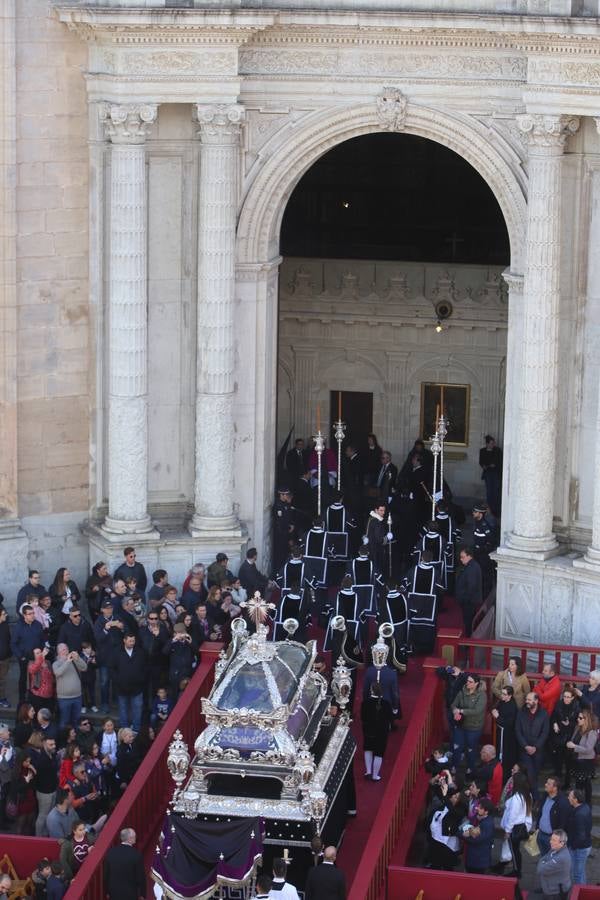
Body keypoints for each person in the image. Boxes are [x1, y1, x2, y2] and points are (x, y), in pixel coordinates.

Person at [111, 634, 147, 735]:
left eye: (133, 641)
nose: (132, 643)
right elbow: (112, 669)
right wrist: (118, 680)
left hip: (137, 688)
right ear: (124, 640)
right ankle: (124, 731)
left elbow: (145, 667)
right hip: (122, 688)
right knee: (123, 710)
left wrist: (141, 679)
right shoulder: (117, 652)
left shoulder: (140, 652)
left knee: (137, 710)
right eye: (130, 641)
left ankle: (136, 730)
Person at [450, 673, 486, 774]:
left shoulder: (482, 695)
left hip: (474, 727)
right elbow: (453, 704)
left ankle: (471, 768)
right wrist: (454, 711)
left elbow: (477, 711)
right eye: (467, 681)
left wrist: (461, 711)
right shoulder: (462, 691)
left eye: (470, 682)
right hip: (460, 725)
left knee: (471, 748)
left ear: (476, 683)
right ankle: (454, 766)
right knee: (457, 746)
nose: (468, 683)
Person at [500, 771, 533, 878]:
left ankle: (516, 871)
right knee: (516, 850)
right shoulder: (527, 795)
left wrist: (507, 831)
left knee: (514, 851)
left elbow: (512, 816)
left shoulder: (516, 798)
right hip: (521, 827)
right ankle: (517, 870)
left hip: (514, 828)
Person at [516, 691, 549, 798]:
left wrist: (536, 747)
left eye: (529, 700)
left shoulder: (543, 713)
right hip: (524, 749)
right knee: (530, 773)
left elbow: (545, 732)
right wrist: (526, 746)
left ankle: (529, 797)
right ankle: (536, 798)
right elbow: (518, 731)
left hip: (538, 750)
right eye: (526, 699)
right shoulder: (521, 712)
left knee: (533, 774)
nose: (527, 702)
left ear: (536, 701)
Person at [11, 604, 45, 703]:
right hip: (25, 657)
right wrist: (21, 656)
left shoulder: (38, 624)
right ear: (24, 615)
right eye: (30, 614)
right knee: (23, 678)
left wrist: (42, 651)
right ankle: (22, 698)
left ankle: (34, 696)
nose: (33, 615)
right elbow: (13, 644)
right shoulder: (18, 627)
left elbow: (42, 639)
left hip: (37, 657)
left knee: (37, 677)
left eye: (33, 613)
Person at [360, 681, 393, 781]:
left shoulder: (365, 703)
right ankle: (375, 775)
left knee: (368, 749)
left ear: (371, 691)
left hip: (369, 730)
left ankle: (368, 771)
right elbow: (390, 718)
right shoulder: (386, 704)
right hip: (382, 732)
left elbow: (362, 717)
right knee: (379, 753)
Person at [565, 707, 598, 805]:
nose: (577, 719)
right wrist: (570, 744)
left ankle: (586, 803)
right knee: (580, 783)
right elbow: (573, 739)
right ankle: (580, 802)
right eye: (578, 717)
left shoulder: (592, 732)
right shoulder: (577, 728)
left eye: (580, 718)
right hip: (576, 760)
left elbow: (588, 749)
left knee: (585, 783)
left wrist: (574, 746)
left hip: (585, 761)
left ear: (586, 719)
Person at [103, 826, 146, 900]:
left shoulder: (111, 853)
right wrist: (142, 894)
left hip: (114, 893)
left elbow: (106, 875)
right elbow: (140, 877)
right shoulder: (136, 855)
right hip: (130, 894)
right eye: (134, 836)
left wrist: (107, 892)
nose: (135, 838)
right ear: (129, 839)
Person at [550, 684, 580, 783]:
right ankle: (557, 779)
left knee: (568, 761)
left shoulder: (576, 707)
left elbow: (578, 723)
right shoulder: (559, 703)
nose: (566, 699)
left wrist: (569, 724)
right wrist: (555, 724)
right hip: (559, 734)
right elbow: (553, 715)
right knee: (558, 758)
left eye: (568, 697)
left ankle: (567, 782)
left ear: (572, 698)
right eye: (565, 697)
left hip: (569, 736)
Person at [52, 643, 87, 728]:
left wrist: (78, 658)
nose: (66, 651)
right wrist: (67, 661)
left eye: (67, 649)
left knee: (77, 721)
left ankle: (76, 739)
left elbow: (84, 667)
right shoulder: (56, 663)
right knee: (64, 721)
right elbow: (58, 673)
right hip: (64, 699)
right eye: (64, 649)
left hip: (77, 697)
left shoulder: (74, 661)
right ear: (59, 652)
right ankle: (63, 739)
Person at [536, 776, 571, 858]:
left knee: (552, 860)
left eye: (548, 784)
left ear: (555, 788)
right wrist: (537, 828)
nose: (545, 785)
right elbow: (540, 813)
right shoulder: (545, 796)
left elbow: (563, 823)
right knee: (543, 858)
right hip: (541, 834)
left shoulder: (562, 802)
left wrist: (555, 838)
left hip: (551, 838)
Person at [33, 734, 59, 836]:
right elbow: (38, 776)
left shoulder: (52, 755)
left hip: (52, 789)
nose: (54, 746)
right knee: (43, 816)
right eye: (51, 744)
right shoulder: (41, 759)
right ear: (44, 744)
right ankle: (38, 837)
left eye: (54, 744)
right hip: (44, 792)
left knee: (49, 815)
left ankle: (45, 834)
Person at [491, 684, 518, 779]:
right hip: (500, 731)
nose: (502, 695)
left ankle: (504, 776)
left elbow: (509, 723)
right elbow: (495, 708)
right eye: (502, 693)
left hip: (506, 735)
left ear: (510, 696)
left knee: (504, 755)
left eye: (504, 694)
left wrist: (497, 717)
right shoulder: (502, 702)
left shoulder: (512, 707)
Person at [536, 828, 571, 900]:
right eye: (551, 839)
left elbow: (540, 870)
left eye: (554, 840)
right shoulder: (555, 848)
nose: (550, 842)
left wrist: (543, 862)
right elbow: (544, 858)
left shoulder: (560, 858)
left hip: (554, 893)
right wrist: (543, 861)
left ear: (562, 843)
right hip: (551, 888)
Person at [566, 788, 592, 885]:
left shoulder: (579, 814)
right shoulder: (584, 807)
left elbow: (581, 836)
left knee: (577, 874)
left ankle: (579, 893)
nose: (568, 797)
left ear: (575, 800)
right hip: (583, 846)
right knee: (580, 872)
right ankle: (583, 890)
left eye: (570, 796)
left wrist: (572, 846)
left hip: (579, 848)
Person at [454, 546, 482, 638]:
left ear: (469, 556)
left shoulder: (471, 568)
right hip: (469, 601)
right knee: (468, 622)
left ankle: (468, 643)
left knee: (468, 623)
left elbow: (471, 587)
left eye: (463, 557)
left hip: (469, 602)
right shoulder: (471, 566)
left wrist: (463, 599)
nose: (461, 559)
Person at [463, 796, 495, 874]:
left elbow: (477, 840)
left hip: (478, 861)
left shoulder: (487, 824)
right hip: (476, 859)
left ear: (486, 812)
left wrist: (464, 835)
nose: (477, 808)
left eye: (480, 808)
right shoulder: (481, 819)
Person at [479, 435, 502, 516]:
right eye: (491, 443)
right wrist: (484, 466)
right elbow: (481, 461)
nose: (493, 444)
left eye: (493, 443)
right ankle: (490, 509)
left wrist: (494, 465)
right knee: (489, 492)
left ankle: (496, 510)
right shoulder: (482, 451)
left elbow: (499, 461)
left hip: (495, 473)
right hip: (488, 473)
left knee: (495, 492)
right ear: (487, 444)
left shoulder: (497, 450)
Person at [27, 646, 55, 713]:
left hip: (49, 694)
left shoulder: (48, 662)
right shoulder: (31, 663)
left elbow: (52, 677)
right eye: (37, 653)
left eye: (40, 652)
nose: (40, 654)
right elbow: (32, 670)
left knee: (48, 715)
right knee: (38, 715)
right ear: (33, 656)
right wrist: (42, 657)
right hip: (38, 695)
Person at [0, 605, 10, 708]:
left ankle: (2, 698)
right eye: (3, 614)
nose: (6, 615)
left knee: (2, 680)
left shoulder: (5, 626)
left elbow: (8, 640)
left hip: (5, 658)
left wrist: (8, 653)